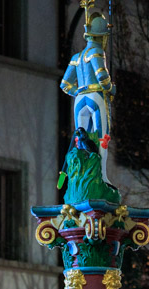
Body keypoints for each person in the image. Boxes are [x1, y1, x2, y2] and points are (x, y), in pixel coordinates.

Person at [60, 6, 114, 186]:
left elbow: (65, 84)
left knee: (79, 139)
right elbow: (101, 75)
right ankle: (102, 177)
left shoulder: (76, 56)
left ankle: (79, 177)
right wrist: (110, 88)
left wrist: (79, 91)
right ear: (101, 36)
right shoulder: (97, 52)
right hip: (96, 98)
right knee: (102, 137)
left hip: (79, 101)